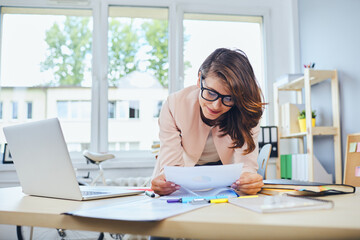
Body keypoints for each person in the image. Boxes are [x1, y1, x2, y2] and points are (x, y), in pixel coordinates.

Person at [151, 48, 265, 196]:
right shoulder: (174, 104)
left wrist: (249, 181)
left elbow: (246, 167)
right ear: (199, 79)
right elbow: (172, 169)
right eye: (210, 93)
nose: (216, 106)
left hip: (224, 178)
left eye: (228, 98)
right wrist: (166, 184)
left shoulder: (246, 111)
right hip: (185, 171)